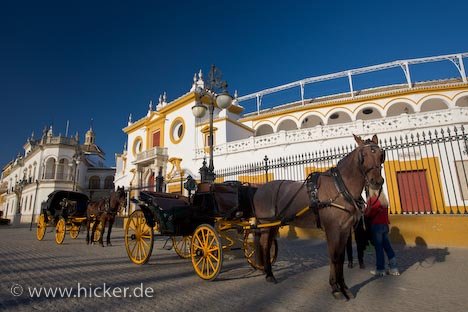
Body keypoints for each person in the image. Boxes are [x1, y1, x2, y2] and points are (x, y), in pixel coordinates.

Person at [364, 188, 400, 276]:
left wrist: (365, 211)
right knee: (388, 247)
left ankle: (380, 269)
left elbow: (369, 214)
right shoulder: (384, 200)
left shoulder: (372, 200)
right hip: (385, 225)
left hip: (377, 226)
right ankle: (394, 268)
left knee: (379, 248)